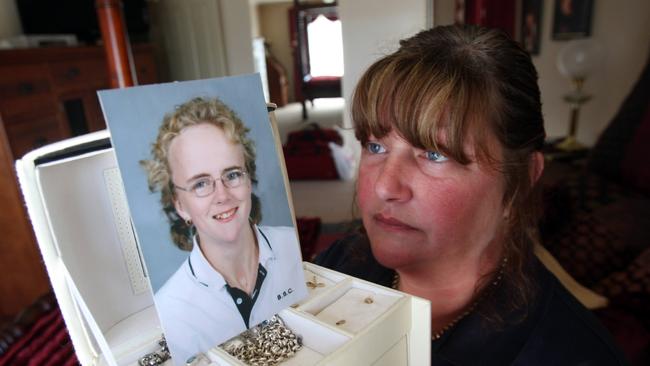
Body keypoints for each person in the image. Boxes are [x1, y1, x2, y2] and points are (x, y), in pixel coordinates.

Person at [315, 25, 627, 365]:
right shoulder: (339, 263)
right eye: (375, 146)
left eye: (435, 154)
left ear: (521, 180)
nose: (384, 187)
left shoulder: (572, 354)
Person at [142, 97, 307, 363]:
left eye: (231, 175)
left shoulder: (291, 245)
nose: (222, 196)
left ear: (249, 178)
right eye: (200, 184)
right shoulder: (172, 306)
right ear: (180, 205)